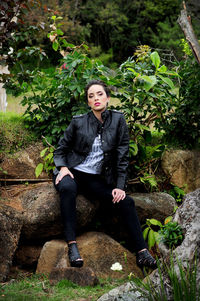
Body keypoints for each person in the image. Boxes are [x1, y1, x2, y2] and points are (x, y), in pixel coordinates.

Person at [53, 79, 157, 271]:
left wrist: (119, 186)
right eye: (91, 96)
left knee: (126, 201)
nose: (96, 98)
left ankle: (142, 252)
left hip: (95, 180)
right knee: (67, 188)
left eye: (100, 94)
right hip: (73, 171)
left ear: (108, 98)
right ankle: (72, 246)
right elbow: (60, 150)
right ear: (88, 102)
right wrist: (63, 168)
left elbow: (122, 156)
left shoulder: (118, 120)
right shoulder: (78, 121)